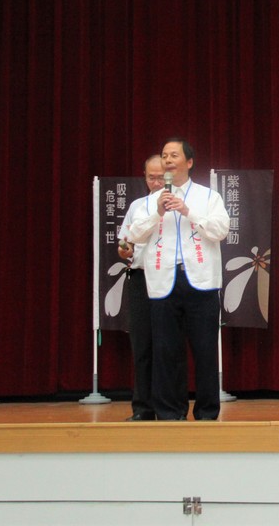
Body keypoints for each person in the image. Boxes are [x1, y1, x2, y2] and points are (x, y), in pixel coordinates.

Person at [127, 138, 229, 421]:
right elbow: (134, 236)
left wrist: (187, 211)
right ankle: (170, 412)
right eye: (164, 155)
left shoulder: (208, 197)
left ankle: (207, 412)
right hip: (163, 282)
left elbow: (221, 230)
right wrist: (158, 212)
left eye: (174, 155)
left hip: (200, 282)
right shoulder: (150, 201)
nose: (168, 160)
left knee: (205, 350)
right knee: (166, 350)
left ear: (189, 162)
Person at [117, 155, 166, 421]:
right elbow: (124, 245)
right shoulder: (137, 206)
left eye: (161, 177)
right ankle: (143, 408)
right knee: (142, 345)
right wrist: (125, 250)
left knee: (168, 346)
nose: (156, 183)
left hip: (169, 280)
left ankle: (168, 408)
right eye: (151, 177)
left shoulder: (179, 205)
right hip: (140, 278)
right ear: (144, 177)